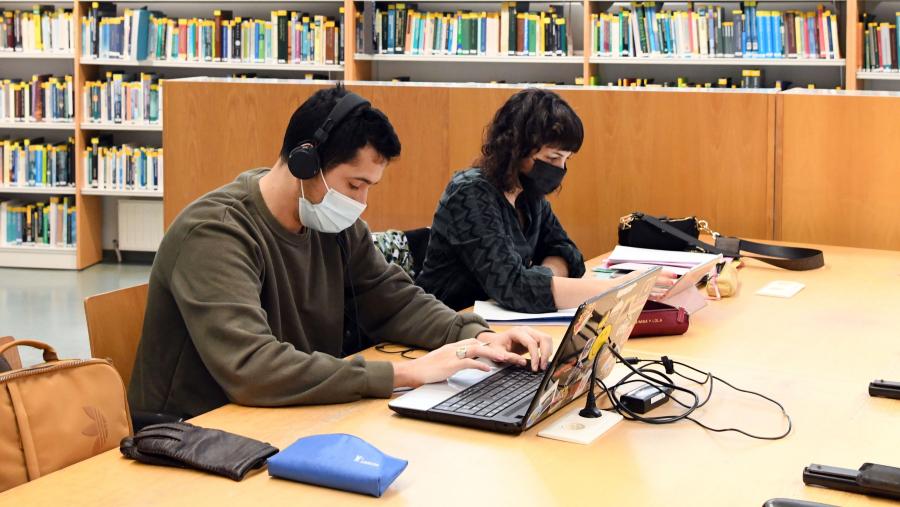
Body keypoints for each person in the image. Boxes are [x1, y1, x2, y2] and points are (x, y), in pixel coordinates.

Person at [128, 84, 552, 419]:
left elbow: (394, 300)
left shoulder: (331, 223)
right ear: (305, 163)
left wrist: (479, 337)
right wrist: (405, 373)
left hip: (281, 415)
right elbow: (252, 367)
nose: (361, 202)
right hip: (195, 432)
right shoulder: (215, 233)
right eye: (354, 184)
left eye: (369, 187)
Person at [417, 88, 675, 313]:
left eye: (566, 159)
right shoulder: (470, 193)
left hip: (499, 324)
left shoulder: (528, 193)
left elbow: (568, 254)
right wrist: (619, 287)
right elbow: (513, 287)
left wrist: (539, 278)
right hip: (450, 326)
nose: (560, 169)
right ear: (515, 148)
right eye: (552, 158)